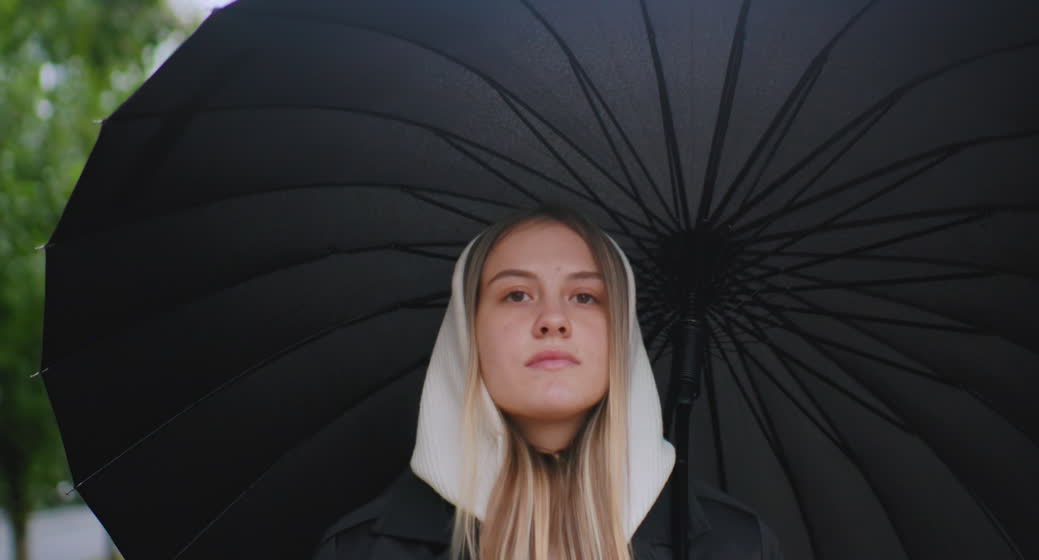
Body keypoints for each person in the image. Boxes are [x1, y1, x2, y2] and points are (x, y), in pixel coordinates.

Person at [312, 205, 783, 559]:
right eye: (516, 294)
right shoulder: (359, 552)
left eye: (585, 296)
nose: (553, 319)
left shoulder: (736, 546)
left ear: (621, 331)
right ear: (466, 330)